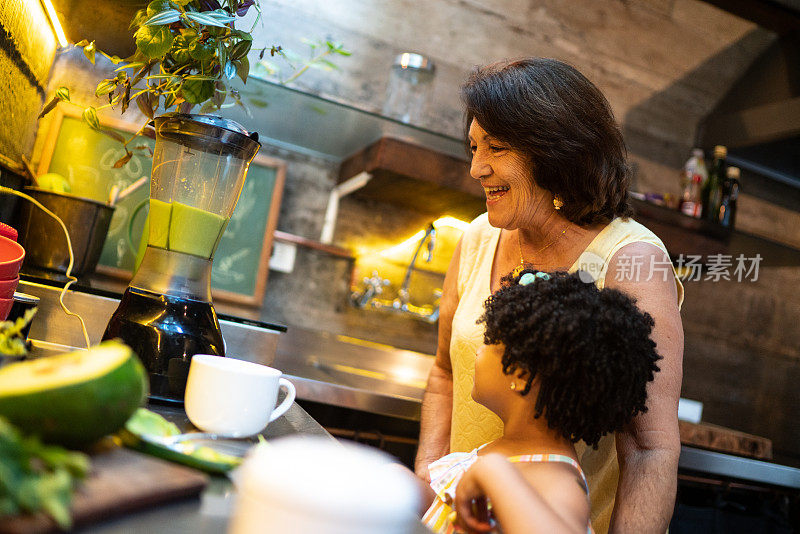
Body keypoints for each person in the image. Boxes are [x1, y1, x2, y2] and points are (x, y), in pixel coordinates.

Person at [414, 57, 685, 534]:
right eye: (474, 146)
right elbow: (442, 374)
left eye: (496, 147)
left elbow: (649, 445)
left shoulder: (631, 258)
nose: (477, 167)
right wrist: (427, 492)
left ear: (558, 153)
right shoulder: (478, 237)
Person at [422, 269, 661, 534]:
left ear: (522, 376)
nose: (479, 349)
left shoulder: (557, 479)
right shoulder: (506, 451)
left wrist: (491, 471)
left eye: (491, 341)